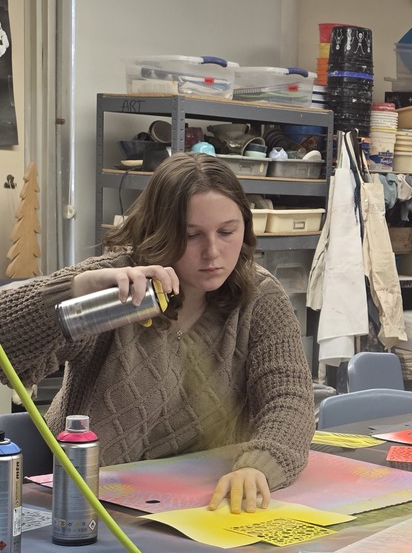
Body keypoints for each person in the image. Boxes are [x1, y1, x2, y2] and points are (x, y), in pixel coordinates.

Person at [0, 153, 315, 512]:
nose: (213, 252)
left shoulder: (260, 296)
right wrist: (73, 291)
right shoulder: (114, 285)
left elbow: (289, 400)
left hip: (200, 502)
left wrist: (260, 465)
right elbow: (6, 346)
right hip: (85, 502)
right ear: (160, 231)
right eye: (191, 235)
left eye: (227, 232)